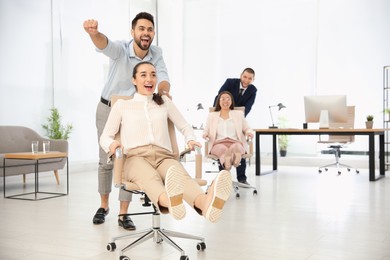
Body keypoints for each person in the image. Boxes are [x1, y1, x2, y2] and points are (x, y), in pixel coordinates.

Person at [100, 62, 233, 223]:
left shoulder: (163, 102)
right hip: (135, 157)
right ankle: (171, 203)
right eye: (143, 75)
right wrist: (112, 145)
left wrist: (191, 139)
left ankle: (205, 204)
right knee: (149, 178)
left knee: (179, 176)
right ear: (133, 80)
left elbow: (184, 126)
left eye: (153, 74)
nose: (149, 79)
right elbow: (105, 136)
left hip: (164, 156)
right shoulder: (122, 105)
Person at [83, 12, 170, 230]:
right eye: (141, 29)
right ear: (133, 32)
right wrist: (94, 33)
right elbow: (105, 45)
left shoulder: (156, 53)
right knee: (106, 160)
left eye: (150, 29)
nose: (146, 33)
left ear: (153, 33)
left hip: (133, 112)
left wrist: (164, 93)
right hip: (108, 107)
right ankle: (104, 206)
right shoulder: (122, 49)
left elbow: (163, 77)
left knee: (128, 160)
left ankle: (124, 213)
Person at [212, 68, 257, 184]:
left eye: (250, 78)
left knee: (239, 146)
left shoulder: (252, 90)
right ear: (241, 75)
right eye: (245, 77)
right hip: (222, 115)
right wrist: (216, 115)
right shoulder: (230, 82)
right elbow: (219, 97)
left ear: (253, 79)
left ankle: (242, 178)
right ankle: (223, 178)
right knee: (222, 148)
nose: (246, 80)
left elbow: (248, 107)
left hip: (238, 120)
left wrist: (238, 119)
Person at [205, 91, 254, 184]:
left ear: (231, 101)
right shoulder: (212, 115)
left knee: (237, 148)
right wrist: (205, 134)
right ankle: (227, 164)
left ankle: (240, 176)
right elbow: (206, 129)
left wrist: (249, 132)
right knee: (223, 150)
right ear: (218, 101)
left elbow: (247, 128)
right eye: (222, 98)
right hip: (218, 143)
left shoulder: (238, 114)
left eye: (228, 99)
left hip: (235, 141)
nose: (225, 101)